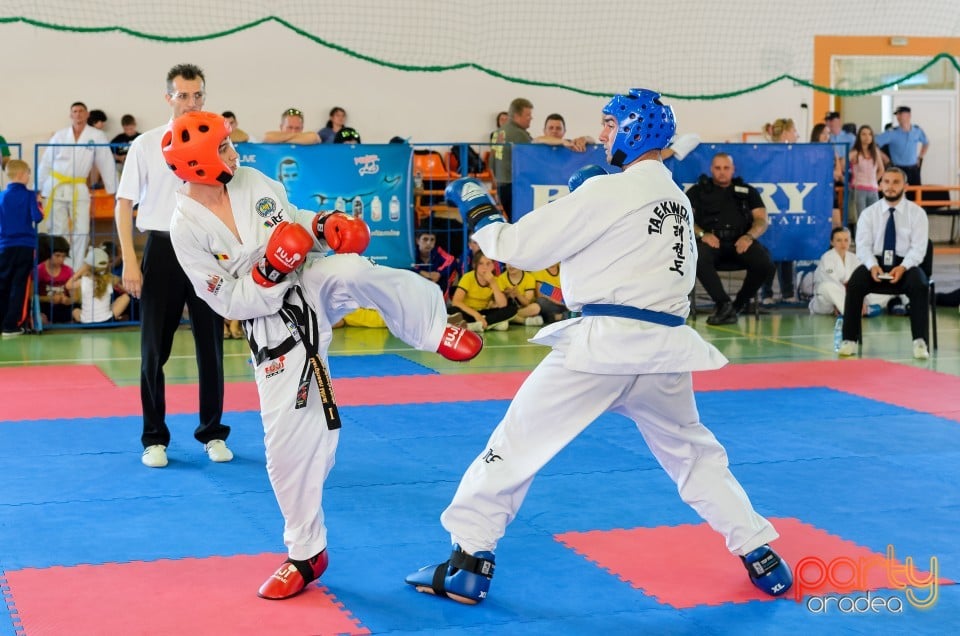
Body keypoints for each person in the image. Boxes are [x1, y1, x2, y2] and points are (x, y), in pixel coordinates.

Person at [407, 88, 792, 605]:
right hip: (663, 351)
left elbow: (517, 245)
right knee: (695, 456)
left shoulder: (611, 192)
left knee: (515, 444)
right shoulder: (675, 199)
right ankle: (760, 553)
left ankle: (468, 562)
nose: (603, 134)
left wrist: (479, 212)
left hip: (603, 349)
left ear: (636, 129)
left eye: (611, 124)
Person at [161, 110, 482, 600]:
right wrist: (266, 272)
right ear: (200, 164)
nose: (234, 153)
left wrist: (324, 223)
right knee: (285, 456)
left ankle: (433, 328)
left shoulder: (251, 181)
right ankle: (306, 554)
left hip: (307, 283)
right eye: (224, 149)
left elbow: (292, 221)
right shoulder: (185, 228)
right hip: (269, 328)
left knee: (353, 270)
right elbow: (223, 300)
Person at [115, 63, 232, 469]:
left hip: (206, 251)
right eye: (183, 95)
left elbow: (230, 200)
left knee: (211, 348)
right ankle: (154, 438)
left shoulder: (219, 142)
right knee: (153, 351)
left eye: (198, 95)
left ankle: (212, 432)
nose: (192, 102)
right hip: (162, 249)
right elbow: (124, 203)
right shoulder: (147, 144)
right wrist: (130, 260)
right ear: (169, 98)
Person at [838, 167, 931, 359]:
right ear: (880, 185)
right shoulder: (868, 213)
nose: (890, 187)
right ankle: (849, 340)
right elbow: (863, 246)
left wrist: (903, 267)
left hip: (906, 265)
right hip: (876, 264)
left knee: (920, 284)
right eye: (886, 182)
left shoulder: (917, 213)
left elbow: (919, 248)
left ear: (905, 186)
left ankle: (920, 342)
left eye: (896, 182)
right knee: (855, 283)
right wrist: (872, 266)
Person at [686, 152, 775, 325]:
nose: (722, 172)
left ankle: (737, 306)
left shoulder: (747, 191)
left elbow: (761, 220)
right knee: (697, 258)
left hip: (740, 241)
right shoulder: (698, 191)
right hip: (711, 241)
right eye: (718, 168)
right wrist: (703, 235)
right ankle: (723, 304)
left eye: (726, 168)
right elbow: (685, 218)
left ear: (733, 169)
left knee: (765, 264)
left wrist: (749, 236)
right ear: (712, 169)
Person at [37, 101, 117, 270]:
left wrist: (113, 189)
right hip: (56, 186)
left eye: (81, 111)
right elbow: (46, 161)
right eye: (75, 111)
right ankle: (59, 269)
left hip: (79, 187)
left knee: (82, 229)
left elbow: (106, 162)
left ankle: (75, 270)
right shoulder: (59, 135)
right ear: (70, 115)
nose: (78, 114)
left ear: (87, 114)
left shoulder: (96, 136)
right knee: (57, 229)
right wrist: (39, 186)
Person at [0, 160, 43, 337]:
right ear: (21, 175)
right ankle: (12, 325)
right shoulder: (29, 195)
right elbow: (37, 216)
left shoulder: (1, 196)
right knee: (20, 285)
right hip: (25, 245)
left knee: (3, 284)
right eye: (28, 173)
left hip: (4, 246)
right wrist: (39, 203)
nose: (29, 177)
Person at [759, 119, 798, 304]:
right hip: (769, 205)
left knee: (787, 250)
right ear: (785, 134)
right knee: (769, 251)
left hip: (788, 207)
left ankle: (788, 293)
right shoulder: (768, 154)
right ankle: (766, 293)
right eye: (794, 131)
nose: (796, 134)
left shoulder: (795, 155)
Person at [808, 227, 885, 317]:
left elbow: (860, 282)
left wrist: (860, 298)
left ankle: (855, 308)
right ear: (832, 242)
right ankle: (855, 312)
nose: (843, 244)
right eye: (839, 240)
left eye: (846, 240)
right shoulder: (827, 258)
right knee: (828, 286)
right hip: (826, 303)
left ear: (850, 241)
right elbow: (834, 283)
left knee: (880, 292)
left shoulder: (854, 258)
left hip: (849, 298)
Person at [489, 98, 534, 219]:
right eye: (528, 115)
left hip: (501, 185)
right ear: (516, 116)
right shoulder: (519, 134)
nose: (531, 118)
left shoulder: (498, 132)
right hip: (516, 186)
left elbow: (491, 161)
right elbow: (532, 160)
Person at [450, 251, 516, 332]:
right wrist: (476, 315)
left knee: (512, 309)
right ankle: (488, 324)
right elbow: (456, 302)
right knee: (452, 310)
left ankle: (475, 326)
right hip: (468, 312)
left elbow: (502, 305)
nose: (485, 267)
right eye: (481, 263)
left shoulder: (496, 280)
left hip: (484, 313)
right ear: (475, 265)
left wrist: (493, 283)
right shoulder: (468, 277)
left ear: (493, 266)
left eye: (488, 263)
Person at [67, 246, 130, 323]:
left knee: (75, 310)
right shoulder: (110, 279)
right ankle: (114, 316)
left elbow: (68, 285)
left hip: (85, 322)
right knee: (125, 297)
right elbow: (127, 291)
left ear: (88, 266)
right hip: (106, 320)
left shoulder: (84, 280)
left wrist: (82, 269)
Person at [875, 106, 929, 186]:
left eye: (900, 114)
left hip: (913, 169)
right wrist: (883, 157)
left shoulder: (917, 131)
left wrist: (920, 156)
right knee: (895, 194)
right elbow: (872, 144)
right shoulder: (892, 133)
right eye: (897, 115)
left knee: (915, 195)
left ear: (908, 115)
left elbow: (926, 142)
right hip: (897, 169)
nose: (898, 117)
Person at [848, 125, 885, 219]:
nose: (867, 137)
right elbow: (844, 164)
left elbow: (881, 170)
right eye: (863, 134)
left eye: (869, 134)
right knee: (861, 218)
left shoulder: (875, 151)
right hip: (859, 189)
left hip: (873, 189)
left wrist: (874, 180)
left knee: (875, 217)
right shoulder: (855, 152)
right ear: (859, 137)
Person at [37, 234, 74, 324]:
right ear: (48, 254)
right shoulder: (39, 270)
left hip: (62, 307)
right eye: (57, 256)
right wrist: (48, 298)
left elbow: (75, 297)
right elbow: (31, 297)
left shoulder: (68, 271)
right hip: (44, 306)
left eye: (63, 256)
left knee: (75, 310)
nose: (61, 259)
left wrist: (67, 300)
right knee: (39, 314)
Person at [412, 231, 459, 300]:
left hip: (436, 286)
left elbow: (452, 260)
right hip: (416, 288)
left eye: (432, 240)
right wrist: (422, 273)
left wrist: (439, 273)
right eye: (425, 239)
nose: (429, 243)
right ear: (417, 241)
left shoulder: (438, 251)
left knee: (448, 275)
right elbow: (404, 265)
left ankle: (441, 302)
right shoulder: (411, 254)